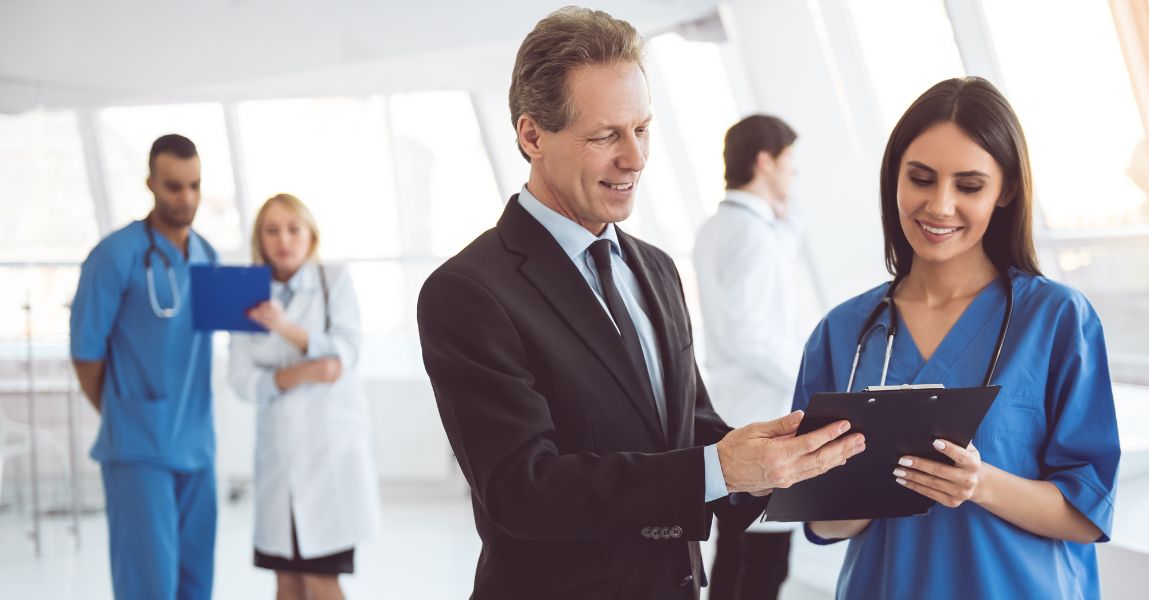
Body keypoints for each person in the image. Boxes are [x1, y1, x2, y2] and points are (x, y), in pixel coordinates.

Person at [416, 7, 865, 599]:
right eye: (606, 136)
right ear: (532, 136)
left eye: (643, 128)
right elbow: (522, 490)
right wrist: (720, 468)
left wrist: (809, 476)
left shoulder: (655, 268)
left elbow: (690, 430)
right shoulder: (469, 292)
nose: (636, 158)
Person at [795, 77, 1120, 598]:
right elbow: (823, 521)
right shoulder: (843, 332)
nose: (940, 206)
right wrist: (852, 495)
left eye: (969, 186)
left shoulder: (1056, 318)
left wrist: (980, 483)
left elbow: (1088, 513)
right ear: (894, 179)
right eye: (920, 179)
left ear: (1005, 190)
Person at [70, 134, 219, 600]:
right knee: (149, 588)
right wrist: (123, 411)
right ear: (151, 183)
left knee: (196, 586)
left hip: (197, 446)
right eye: (174, 186)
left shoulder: (208, 256)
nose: (186, 197)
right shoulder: (115, 255)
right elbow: (86, 353)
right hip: (138, 450)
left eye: (194, 185)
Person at [694, 114, 823, 600]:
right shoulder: (751, 234)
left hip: (735, 406)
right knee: (764, 566)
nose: (793, 174)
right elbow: (748, 330)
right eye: (789, 162)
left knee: (736, 552)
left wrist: (787, 222)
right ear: (765, 161)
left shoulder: (724, 227)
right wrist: (807, 380)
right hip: (765, 408)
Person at [228, 194, 380, 600]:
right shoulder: (245, 292)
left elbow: (343, 355)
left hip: (329, 459)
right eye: (272, 230)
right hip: (279, 460)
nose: (284, 240)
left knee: (321, 581)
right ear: (259, 239)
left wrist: (283, 327)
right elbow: (242, 379)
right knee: (287, 583)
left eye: (293, 229)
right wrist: (300, 373)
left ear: (311, 235)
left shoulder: (334, 281)